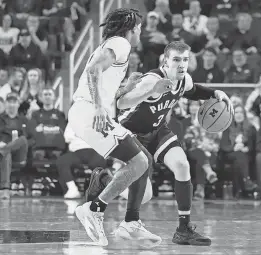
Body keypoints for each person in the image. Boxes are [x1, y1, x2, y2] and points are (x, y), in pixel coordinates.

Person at [86, 41, 233, 246]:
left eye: (185, 60)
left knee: (182, 165)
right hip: (131, 132)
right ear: (166, 61)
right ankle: (105, 181)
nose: (181, 64)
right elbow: (121, 103)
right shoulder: (151, 80)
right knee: (145, 196)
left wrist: (214, 93)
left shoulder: (183, 80)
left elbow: (194, 91)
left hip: (156, 130)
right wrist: (151, 91)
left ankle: (183, 229)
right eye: (176, 60)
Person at [68, 8, 164, 247]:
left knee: (145, 159)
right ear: (131, 29)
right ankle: (94, 209)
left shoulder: (113, 46)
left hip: (87, 112)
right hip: (90, 112)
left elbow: (111, 93)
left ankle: (131, 223)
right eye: (139, 28)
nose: (140, 32)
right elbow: (92, 71)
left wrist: (127, 87)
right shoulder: (121, 43)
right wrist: (99, 108)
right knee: (140, 162)